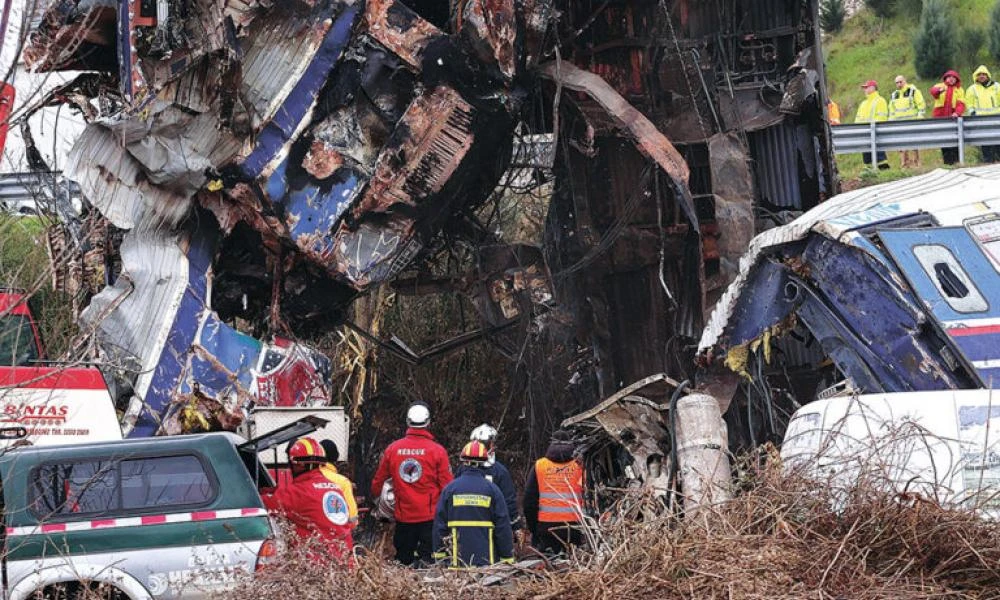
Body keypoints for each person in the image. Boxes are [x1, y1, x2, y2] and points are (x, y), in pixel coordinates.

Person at [370, 402, 453, 566]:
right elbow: (447, 486)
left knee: (403, 564)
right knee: (428, 565)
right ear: (428, 422)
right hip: (430, 519)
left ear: (408, 421)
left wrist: (376, 501)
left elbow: (377, 483)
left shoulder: (393, 449)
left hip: (403, 518)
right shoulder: (437, 451)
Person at [261, 437, 354, 562]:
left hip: (318, 566)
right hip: (345, 562)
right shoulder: (335, 488)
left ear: (298, 465)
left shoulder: (300, 492)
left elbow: (262, 503)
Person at [432, 441, 515, 568]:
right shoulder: (493, 490)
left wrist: (440, 557)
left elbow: (439, 526)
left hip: (456, 565)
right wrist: (507, 558)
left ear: (463, 462)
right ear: (484, 463)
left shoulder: (450, 489)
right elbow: (503, 527)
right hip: (487, 567)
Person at [523, 429, 586, 554]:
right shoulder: (580, 466)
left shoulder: (539, 466)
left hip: (547, 528)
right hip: (574, 527)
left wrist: (534, 529)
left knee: (550, 566)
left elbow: (529, 502)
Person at [462, 424, 522, 537]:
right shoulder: (499, 471)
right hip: (475, 526)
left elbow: (509, 501)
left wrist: (515, 525)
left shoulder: (498, 471)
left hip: (487, 526)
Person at [929, 70, 966, 165]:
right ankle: (947, 162)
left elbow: (961, 104)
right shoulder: (940, 85)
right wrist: (939, 91)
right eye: (949, 77)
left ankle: (956, 162)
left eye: (954, 78)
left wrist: (957, 113)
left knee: (955, 140)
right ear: (945, 78)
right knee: (944, 140)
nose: (951, 79)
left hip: (953, 119)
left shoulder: (959, 90)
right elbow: (932, 91)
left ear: (956, 79)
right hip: (940, 118)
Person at [888, 75, 926, 168]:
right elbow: (891, 110)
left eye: (901, 81)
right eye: (897, 82)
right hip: (899, 124)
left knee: (914, 144)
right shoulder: (894, 95)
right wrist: (891, 122)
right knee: (901, 146)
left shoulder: (913, 91)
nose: (899, 84)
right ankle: (905, 165)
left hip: (912, 123)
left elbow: (921, 105)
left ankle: (917, 164)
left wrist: (919, 118)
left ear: (905, 81)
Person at [319, 439, 358, 529]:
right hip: (336, 535)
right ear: (336, 457)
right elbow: (352, 519)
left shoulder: (307, 480)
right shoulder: (343, 482)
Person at [965, 65, 1000, 163]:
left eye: (983, 74)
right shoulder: (972, 89)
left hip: (996, 118)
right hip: (980, 119)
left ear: (988, 75)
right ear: (976, 76)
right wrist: (973, 114)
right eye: (979, 74)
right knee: (985, 141)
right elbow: (969, 103)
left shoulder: (997, 86)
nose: (981, 76)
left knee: (998, 139)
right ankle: (988, 161)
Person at [854, 79, 890, 169]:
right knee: (867, 159)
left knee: (880, 158)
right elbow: (857, 119)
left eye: (866, 87)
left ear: (873, 88)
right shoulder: (863, 103)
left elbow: (882, 117)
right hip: (864, 135)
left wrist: (873, 129)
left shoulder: (880, 100)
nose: (864, 90)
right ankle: (869, 174)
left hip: (876, 134)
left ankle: (884, 173)